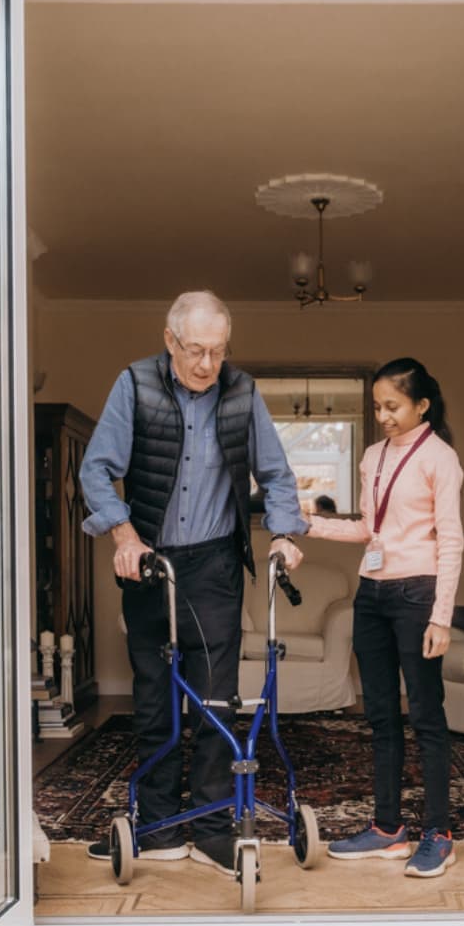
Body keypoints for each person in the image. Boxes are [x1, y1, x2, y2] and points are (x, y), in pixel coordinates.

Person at [79, 290, 305, 876]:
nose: (208, 364)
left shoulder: (243, 392)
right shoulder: (134, 385)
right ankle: (157, 826)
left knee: (214, 695)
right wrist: (124, 537)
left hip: (214, 563)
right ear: (169, 340)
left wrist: (283, 533)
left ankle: (211, 826)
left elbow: (276, 474)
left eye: (219, 350)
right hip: (150, 556)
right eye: (196, 350)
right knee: (155, 691)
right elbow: (97, 469)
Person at [303, 358, 464, 878]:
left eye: (392, 406)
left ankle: (439, 833)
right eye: (377, 406)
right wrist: (311, 525)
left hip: (418, 595)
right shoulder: (372, 456)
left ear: (421, 405)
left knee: (426, 714)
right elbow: (371, 530)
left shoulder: (440, 458)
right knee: (379, 714)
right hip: (371, 595)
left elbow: (452, 541)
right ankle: (389, 828)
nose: (383, 415)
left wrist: (441, 617)